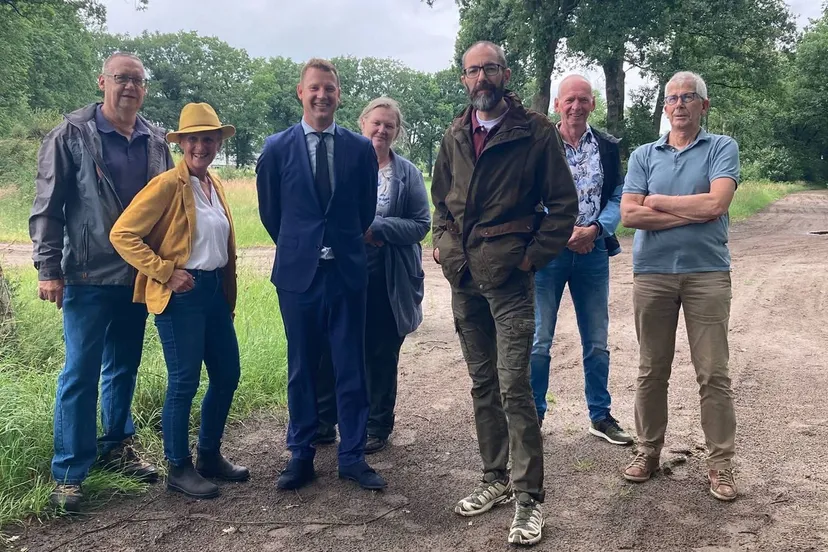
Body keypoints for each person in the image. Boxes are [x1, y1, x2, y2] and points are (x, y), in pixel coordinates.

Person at [432, 41, 578, 546]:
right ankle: (494, 477)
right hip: (464, 280)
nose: (482, 79)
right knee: (482, 384)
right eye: (473, 71)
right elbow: (440, 206)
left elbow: (562, 206)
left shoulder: (535, 131)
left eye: (490, 69)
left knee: (515, 385)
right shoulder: (454, 133)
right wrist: (446, 252)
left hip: (511, 280)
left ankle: (529, 498)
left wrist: (529, 258)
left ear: (505, 73)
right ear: (464, 79)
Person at [30, 52, 173, 513]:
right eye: (121, 78)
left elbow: (170, 208)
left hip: (137, 276)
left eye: (137, 80)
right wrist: (49, 268)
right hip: (87, 276)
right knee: (80, 373)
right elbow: (47, 206)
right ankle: (69, 473)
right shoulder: (70, 135)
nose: (129, 86)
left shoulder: (155, 140)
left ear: (145, 89)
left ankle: (116, 448)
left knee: (123, 368)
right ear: (102, 82)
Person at [256, 58, 386, 491]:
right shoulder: (276, 148)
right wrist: (305, 248)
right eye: (314, 88)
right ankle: (301, 454)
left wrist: (338, 243)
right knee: (302, 368)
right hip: (299, 278)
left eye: (329, 88)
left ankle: (352, 456)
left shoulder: (358, 148)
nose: (322, 96)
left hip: (347, 273)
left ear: (339, 94)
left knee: (351, 366)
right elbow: (272, 216)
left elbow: (366, 209)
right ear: (300, 92)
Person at [110, 102, 249, 499]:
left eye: (209, 139)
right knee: (184, 382)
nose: (201, 146)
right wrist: (165, 271)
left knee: (227, 375)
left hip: (214, 296)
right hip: (181, 297)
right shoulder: (168, 184)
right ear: (181, 143)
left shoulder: (215, 184)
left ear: (217, 143)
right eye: (194, 139)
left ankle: (208, 455)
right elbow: (122, 234)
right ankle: (178, 467)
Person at [620, 71, 740, 501]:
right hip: (652, 273)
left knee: (714, 373)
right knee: (652, 369)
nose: (680, 104)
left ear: (703, 106)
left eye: (689, 97)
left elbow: (717, 203)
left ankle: (720, 465)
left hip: (707, 272)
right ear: (665, 107)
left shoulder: (722, 147)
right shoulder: (643, 155)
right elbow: (629, 216)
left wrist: (657, 201)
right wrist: (693, 211)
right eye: (672, 98)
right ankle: (648, 450)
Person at [313, 97, 431, 454]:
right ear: (362, 123)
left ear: (396, 132)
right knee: (331, 348)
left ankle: (378, 425)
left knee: (380, 353)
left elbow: (421, 224)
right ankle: (323, 421)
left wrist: (375, 228)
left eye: (389, 126)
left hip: (387, 279)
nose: (381, 130)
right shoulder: (341, 164)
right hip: (340, 273)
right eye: (376, 123)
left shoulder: (406, 173)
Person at [529, 75, 633, 446]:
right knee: (540, 339)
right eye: (569, 99)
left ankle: (600, 415)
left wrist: (597, 229)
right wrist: (561, 234)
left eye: (583, 99)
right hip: (548, 255)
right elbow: (527, 196)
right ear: (557, 104)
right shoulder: (539, 144)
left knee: (597, 340)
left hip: (593, 253)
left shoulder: (606, 146)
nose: (576, 106)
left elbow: (619, 193)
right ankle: (534, 415)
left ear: (592, 104)